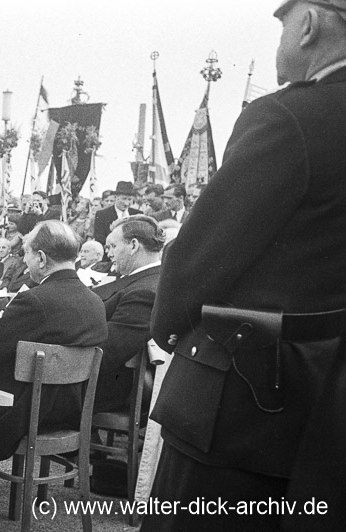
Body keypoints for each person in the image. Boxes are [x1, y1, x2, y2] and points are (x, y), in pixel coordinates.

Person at [142, 3, 346, 530]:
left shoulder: (290, 117)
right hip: (326, 413)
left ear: (309, 25)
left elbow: (199, 256)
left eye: (282, 24)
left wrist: (164, 329)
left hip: (240, 411)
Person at [0, 220, 108, 507]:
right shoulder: (95, 302)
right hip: (69, 411)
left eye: (27, 254)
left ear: (41, 257)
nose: (25, 260)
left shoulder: (34, 301)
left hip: (25, 414)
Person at [93, 215, 162, 413]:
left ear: (133, 245)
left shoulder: (145, 290)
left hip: (105, 389)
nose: (109, 255)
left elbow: (109, 349)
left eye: (113, 247)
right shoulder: (143, 280)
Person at [93, 181, 142, 250]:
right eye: (124, 198)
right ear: (116, 197)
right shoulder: (102, 215)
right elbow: (100, 239)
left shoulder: (138, 214)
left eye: (129, 199)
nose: (126, 203)